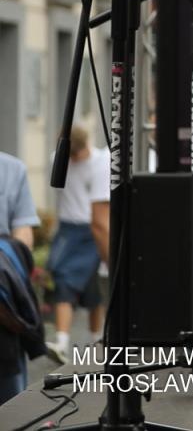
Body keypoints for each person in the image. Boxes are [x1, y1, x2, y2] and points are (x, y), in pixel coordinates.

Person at [46, 124, 110, 364]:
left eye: (76, 154)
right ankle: (62, 342)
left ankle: (96, 340)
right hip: (69, 229)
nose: (73, 159)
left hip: (91, 228)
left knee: (94, 290)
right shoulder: (58, 160)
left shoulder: (101, 162)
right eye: (69, 155)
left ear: (85, 147)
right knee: (64, 282)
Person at [1, 149, 44, 405]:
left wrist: (10, 274)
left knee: (10, 404)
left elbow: (23, 236)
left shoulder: (12, 168)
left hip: (2, 304)